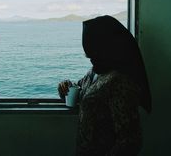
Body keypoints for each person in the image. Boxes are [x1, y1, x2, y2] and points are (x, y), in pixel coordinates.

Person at [58, 15, 152, 156]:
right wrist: (64, 87)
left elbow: (130, 141)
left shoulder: (120, 82)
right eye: (88, 55)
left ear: (107, 47)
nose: (91, 59)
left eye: (94, 53)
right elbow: (79, 90)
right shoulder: (95, 72)